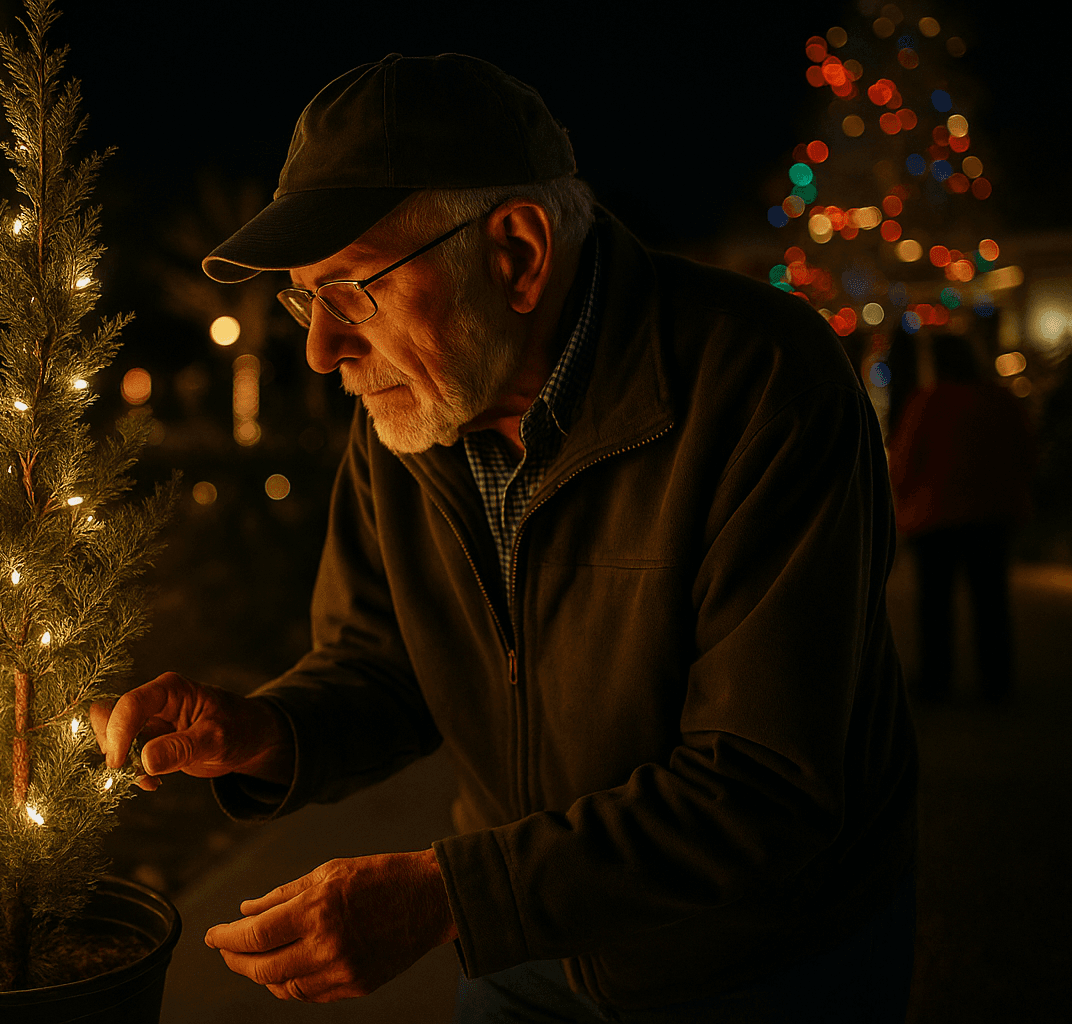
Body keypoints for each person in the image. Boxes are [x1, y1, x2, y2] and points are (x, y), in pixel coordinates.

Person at [93, 53, 918, 1022]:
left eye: (352, 289)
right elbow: (383, 660)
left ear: (516, 253)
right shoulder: (415, 407)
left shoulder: (762, 385)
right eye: (304, 298)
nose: (320, 349)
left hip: (753, 963)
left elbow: (766, 784)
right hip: (522, 949)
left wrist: (450, 897)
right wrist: (263, 733)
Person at [887, 333, 1034, 702]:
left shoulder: (927, 403)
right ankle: (996, 680)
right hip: (992, 514)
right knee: (991, 602)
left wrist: (905, 499)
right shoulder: (1000, 400)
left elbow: (904, 461)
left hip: (935, 516)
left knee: (935, 604)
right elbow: (1025, 451)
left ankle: (936, 678)